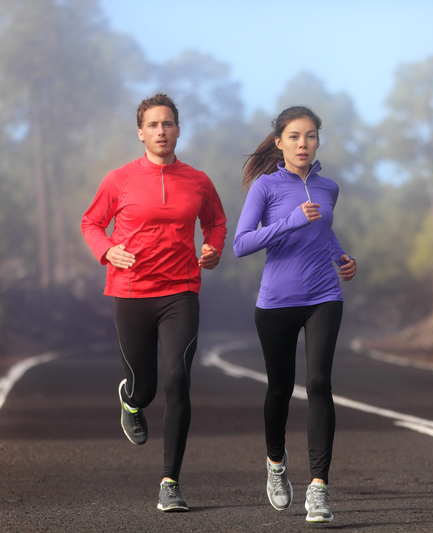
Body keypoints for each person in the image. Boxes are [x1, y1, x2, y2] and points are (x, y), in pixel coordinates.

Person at [81, 93, 227, 513]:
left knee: (177, 379)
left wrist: (212, 248)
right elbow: (91, 222)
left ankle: (170, 482)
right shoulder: (119, 179)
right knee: (145, 387)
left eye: (168, 124)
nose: (161, 131)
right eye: (153, 125)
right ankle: (130, 400)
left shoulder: (197, 180)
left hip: (180, 291)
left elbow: (215, 220)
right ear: (141, 132)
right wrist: (107, 251)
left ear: (178, 130)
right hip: (130, 293)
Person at [233, 106, 357, 523]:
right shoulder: (265, 189)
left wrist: (341, 256)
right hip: (276, 303)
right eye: (295, 137)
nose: (303, 143)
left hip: (325, 295)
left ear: (318, 140)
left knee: (319, 383)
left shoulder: (329, 187)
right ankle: (275, 463)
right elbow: (242, 244)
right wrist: (286, 222)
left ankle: (319, 489)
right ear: (279, 142)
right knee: (280, 391)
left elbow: (324, 230)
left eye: (311, 136)